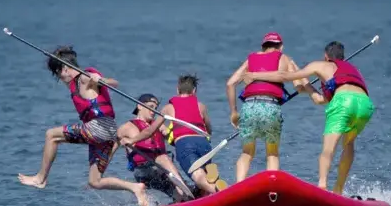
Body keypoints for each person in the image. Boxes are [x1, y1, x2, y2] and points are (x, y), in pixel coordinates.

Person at [17, 46, 149, 206]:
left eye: (58, 73)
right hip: (107, 132)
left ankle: (41, 178)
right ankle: (135, 188)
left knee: (51, 135)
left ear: (65, 68)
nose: (59, 77)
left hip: (99, 128)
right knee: (94, 181)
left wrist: (99, 80)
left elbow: (114, 82)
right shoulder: (72, 83)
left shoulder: (85, 77)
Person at [243, 41, 374, 194]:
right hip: (365, 104)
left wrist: (254, 75)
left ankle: (322, 186)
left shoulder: (320, 65)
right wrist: (307, 84)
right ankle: (338, 190)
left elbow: (283, 76)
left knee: (328, 149)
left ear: (326, 56)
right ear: (342, 57)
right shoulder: (353, 70)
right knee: (349, 144)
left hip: (343, 100)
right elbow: (319, 99)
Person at [120, 74, 228, 196]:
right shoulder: (201, 106)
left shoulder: (168, 108)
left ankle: (220, 192)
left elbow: (149, 131)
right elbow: (209, 130)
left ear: (177, 90)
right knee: (203, 179)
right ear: (194, 91)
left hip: (185, 144)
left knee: (198, 177)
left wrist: (132, 139)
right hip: (204, 144)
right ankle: (210, 180)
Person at [226, 32, 307, 182]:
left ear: (263, 47)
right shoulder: (284, 58)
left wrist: (233, 112)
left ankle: (239, 186)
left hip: (249, 107)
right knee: (272, 153)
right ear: (281, 47)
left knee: (247, 153)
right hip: (270, 106)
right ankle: (272, 189)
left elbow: (230, 83)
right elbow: (299, 86)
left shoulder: (250, 59)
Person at [117, 93, 191, 203]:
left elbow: (173, 138)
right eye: (150, 107)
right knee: (163, 158)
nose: (153, 111)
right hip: (144, 171)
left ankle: (181, 202)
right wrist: (98, 173)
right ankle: (188, 191)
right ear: (140, 106)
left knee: (180, 196)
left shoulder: (158, 125)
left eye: (155, 108)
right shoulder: (126, 127)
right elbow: (110, 146)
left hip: (161, 170)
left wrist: (178, 130)